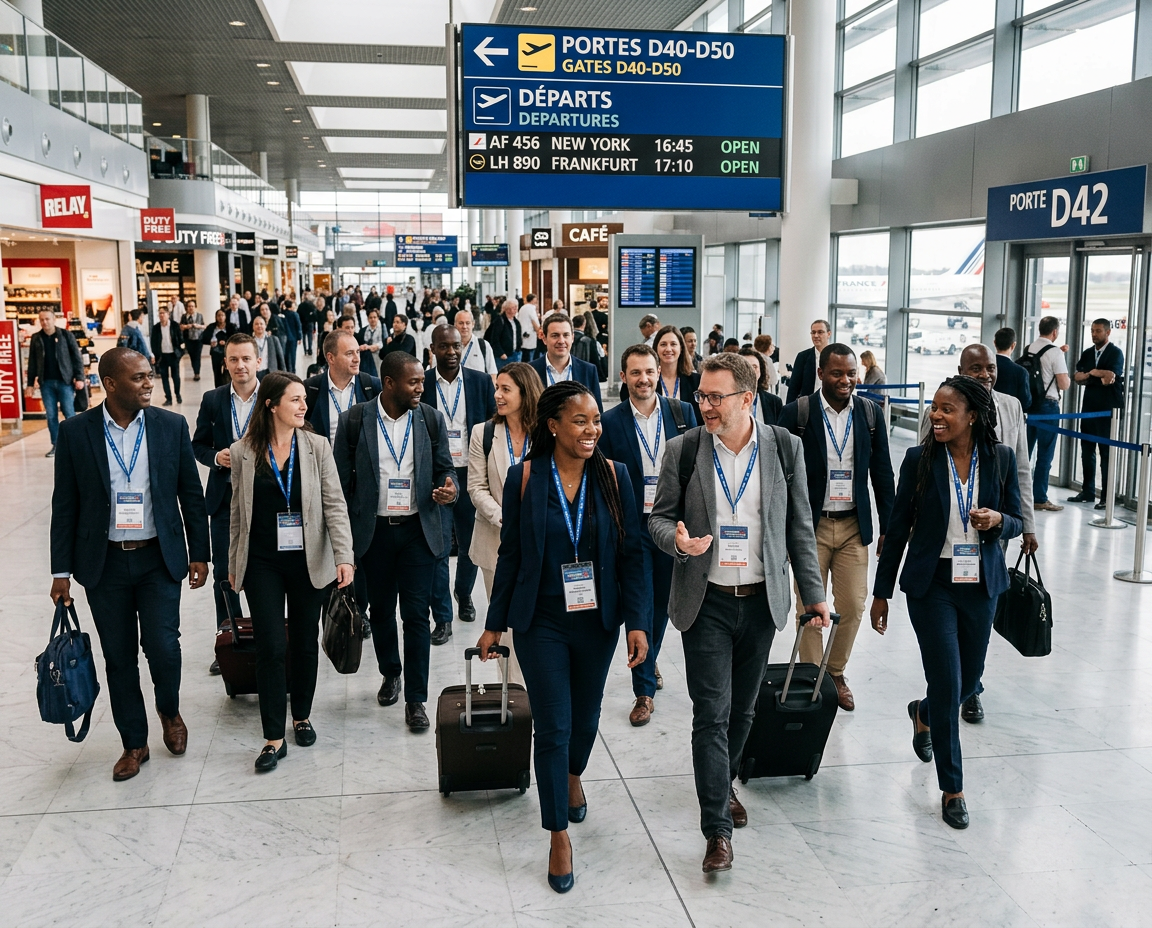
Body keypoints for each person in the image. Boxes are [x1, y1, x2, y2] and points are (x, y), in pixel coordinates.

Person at [648, 352, 828, 872]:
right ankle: (717, 831)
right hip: (704, 603)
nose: (704, 404)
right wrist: (678, 541)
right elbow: (658, 520)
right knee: (712, 714)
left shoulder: (784, 449)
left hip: (759, 601)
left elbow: (798, 529)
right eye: (701, 394)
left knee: (744, 712)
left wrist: (812, 594)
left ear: (747, 398)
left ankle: (721, 785)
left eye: (715, 396)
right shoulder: (683, 451)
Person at [477, 381, 650, 893]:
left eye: (596, 420)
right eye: (580, 420)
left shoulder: (616, 478)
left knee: (585, 717)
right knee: (552, 724)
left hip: (597, 621)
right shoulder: (524, 477)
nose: (593, 429)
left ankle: (574, 773)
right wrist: (493, 622)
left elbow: (634, 555)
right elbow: (510, 556)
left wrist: (638, 622)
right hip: (542, 621)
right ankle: (557, 834)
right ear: (553, 425)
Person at [870, 376, 1023, 830]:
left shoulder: (1001, 460)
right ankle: (952, 788)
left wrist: (999, 520)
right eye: (934, 409)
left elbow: (1016, 519)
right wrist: (881, 593)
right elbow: (896, 531)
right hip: (932, 583)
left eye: (946, 410)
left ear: (971, 416)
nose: (935, 416)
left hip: (980, 583)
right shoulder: (919, 461)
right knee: (948, 676)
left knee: (968, 682)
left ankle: (923, 712)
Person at [50, 347, 210, 781]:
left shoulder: (169, 426)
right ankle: (134, 742)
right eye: (138, 377)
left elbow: (190, 495)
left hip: (158, 558)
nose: (148, 382)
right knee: (118, 658)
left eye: (150, 374)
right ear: (111, 383)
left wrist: (199, 552)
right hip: (103, 565)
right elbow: (64, 505)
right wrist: (60, 571)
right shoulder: (76, 433)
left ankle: (170, 711)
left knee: (164, 647)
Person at [227, 372, 354, 771]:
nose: (303, 406)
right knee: (270, 646)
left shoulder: (317, 447)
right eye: (295, 400)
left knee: (303, 641)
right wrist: (233, 564)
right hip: (262, 562)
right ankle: (272, 738)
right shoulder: (244, 451)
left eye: (304, 400)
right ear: (271, 405)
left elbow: (334, 504)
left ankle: (301, 715)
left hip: (308, 560)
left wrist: (344, 556)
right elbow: (236, 514)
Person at [333, 350, 458, 732]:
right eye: (414, 382)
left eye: (422, 381)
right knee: (383, 613)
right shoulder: (354, 420)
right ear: (389, 384)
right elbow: (339, 482)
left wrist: (448, 488)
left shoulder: (431, 418)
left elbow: (444, 468)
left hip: (418, 531)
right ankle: (391, 672)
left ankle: (416, 700)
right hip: (375, 533)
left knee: (416, 617)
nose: (421, 387)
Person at [918, 343, 1038, 724]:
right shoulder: (940, 410)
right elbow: (925, 467)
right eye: (975, 369)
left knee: (978, 625)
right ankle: (962, 693)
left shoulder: (1012, 407)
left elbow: (1021, 469)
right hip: (946, 536)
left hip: (993, 531)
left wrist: (1025, 525)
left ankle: (967, 688)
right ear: (960, 370)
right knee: (949, 643)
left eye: (990, 368)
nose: (985, 374)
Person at [778, 343, 895, 712]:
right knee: (812, 609)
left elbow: (883, 473)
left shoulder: (870, 414)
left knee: (854, 605)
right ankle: (814, 675)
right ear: (821, 374)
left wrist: (889, 527)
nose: (845, 380)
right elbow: (777, 476)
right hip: (809, 528)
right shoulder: (797, 413)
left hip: (852, 526)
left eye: (851, 373)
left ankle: (837, 671)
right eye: (837, 373)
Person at [599, 344, 697, 726]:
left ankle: (649, 658)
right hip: (632, 526)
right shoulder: (610, 421)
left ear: (660, 373)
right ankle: (644, 691)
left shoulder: (682, 414)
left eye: (649, 372)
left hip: (672, 524)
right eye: (635, 372)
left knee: (661, 606)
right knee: (639, 602)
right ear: (623, 377)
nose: (643, 379)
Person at [467, 361, 542, 686]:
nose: (497, 395)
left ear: (525, 393)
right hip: (495, 544)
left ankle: (539, 688)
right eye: (497, 388)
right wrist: (504, 516)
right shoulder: (483, 434)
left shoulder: (546, 433)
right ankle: (515, 693)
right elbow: (476, 487)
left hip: (541, 546)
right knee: (503, 626)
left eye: (505, 389)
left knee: (535, 624)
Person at [423, 325, 496, 646]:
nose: (451, 352)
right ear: (433, 349)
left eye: (456, 346)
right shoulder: (422, 384)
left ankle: (463, 594)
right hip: (437, 476)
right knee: (438, 547)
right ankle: (442, 617)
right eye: (444, 347)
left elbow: (494, 424)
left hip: (473, 474)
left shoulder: (480, 382)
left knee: (470, 544)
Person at [193, 334, 261, 661]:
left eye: (246, 358)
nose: (240, 365)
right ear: (225, 364)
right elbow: (198, 445)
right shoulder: (213, 400)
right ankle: (229, 642)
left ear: (258, 361)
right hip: (224, 500)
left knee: (265, 573)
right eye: (233, 359)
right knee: (224, 573)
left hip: (265, 499)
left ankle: (266, 638)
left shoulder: (273, 397)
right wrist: (214, 457)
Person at [1069, 319, 1125, 508]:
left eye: (1098, 331)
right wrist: (1094, 375)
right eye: (1092, 331)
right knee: (1087, 451)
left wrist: (1091, 374)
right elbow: (1077, 377)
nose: (1094, 334)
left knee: (1106, 454)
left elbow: (1110, 377)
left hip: (1107, 411)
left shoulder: (1115, 353)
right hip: (1088, 410)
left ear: (1108, 332)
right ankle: (1088, 490)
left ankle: (1107, 496)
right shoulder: (1087, 353)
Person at [1022, 316, 1071, 512]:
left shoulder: (1028, 349)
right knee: (1045, 454)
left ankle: (1019, 495)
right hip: (1048, 408)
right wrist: (1060, 358)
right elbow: (1063, 384)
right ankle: (1040, 497)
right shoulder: (1055, 353)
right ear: (1055, 332)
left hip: (1030, 406)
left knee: (1025, 453)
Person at [303, 331, 382, 444]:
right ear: (331, 358)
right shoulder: (310, 388)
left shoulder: (372, 386)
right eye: (349, 354)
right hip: (325, 459)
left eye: (358, 352)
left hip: (359, 460)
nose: (357, 359)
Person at [26, 309, 85, 457]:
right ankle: (56, 445)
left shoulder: (66, 335)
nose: (45, 322)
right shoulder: (36, 338)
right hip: (46, 383)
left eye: (47, 319)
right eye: (42, 320)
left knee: (69, 413)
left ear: (54, 319)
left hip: (64, 381)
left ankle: (74, 444)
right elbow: (32, 362)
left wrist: (80, 378)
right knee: (51, 415)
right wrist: (30, 384)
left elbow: (76, 358)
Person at [531, 313, 603, 410]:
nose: (561, 341)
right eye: (555, 335)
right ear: (544, 339)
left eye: (566, 335)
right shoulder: (530, 371)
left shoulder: (588, 371)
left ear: (572, 338)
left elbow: (597, 413)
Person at [653, 325, 701, 415]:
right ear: (656, 348)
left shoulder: (696, 381)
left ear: (681, 348)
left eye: (673, 344)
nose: (668, 349)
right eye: (663, 344)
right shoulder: (648, 381)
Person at [785, 319, 830, 404]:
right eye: (813, 332)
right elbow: (794, 387)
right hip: (809, 405)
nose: (816, 335)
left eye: (820, 332)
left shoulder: (836, 356)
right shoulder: (803, 357)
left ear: (829, 334)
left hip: (831, 404)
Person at [738, 346, 783, 426]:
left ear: (760, 371)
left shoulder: (774, 402)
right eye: (746, 366)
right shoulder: (727, 399)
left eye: (754, 367)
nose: (751, 370)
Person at [150, 306, 184, 406]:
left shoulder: (174, 325)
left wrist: (180, 352)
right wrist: (155, 355)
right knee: (164, 377)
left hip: (173, 355)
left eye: (163, 313)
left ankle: (177, 394)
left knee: (176, 376)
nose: (161, 315)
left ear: (168, 314)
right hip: (162, 356)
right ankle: (168, 398)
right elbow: (153, 342)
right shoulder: (156, 328)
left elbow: (180, 339)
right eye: (160, 313)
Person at [993, 328, 1031, 411]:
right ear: (1013, 345)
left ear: (994, 343)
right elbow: (1025, 402)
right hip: (1010, 416)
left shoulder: (986, 367)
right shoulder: (1021, 372)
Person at [455, 308, 498, 380]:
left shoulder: (483, 345)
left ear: (473, 324)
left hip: (479, 390)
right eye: (461, 323)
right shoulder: (450, 346)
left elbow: (492, 373)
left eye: (467, 323)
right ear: (455, 325)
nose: (464, 326)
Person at [202, 310, 237, 387]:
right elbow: (203, 338)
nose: (221, 317)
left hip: (228, 352)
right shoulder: (211, 327)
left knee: (228, 371)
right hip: (216, 352)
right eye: (219, 315)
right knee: (216, 372)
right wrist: (210, 342)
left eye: (222, 315)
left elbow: (235, 338)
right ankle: (218, 389)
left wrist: (226, 342)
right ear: (216, 317)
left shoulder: (231, 326)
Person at [486, 298, 523, 370]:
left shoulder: (516, 322)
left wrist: (519, 349)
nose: (514, 310)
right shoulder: (500, 321)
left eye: (515, 308)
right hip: (503, 356)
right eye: (511, 308)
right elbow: (494, 338)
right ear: (506, 309)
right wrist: (501, 353)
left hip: (515, 354)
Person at [179, 299, 205, 382]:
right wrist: (186, 326)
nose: (191, 308)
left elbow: (204, 326)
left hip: (198, 339)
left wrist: (197, 326)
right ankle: (195, 370)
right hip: (188, 339)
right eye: (189, 306)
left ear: (195, 307)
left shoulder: (199, 316)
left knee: (197, 356)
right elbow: (181, 327)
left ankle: (197, 373)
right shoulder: (184, 316)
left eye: (192, 306)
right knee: (192, 356)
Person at [360, 308, 385, 377]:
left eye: (374, 317)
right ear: (368, 319)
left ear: (378, 318)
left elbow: (383, 342)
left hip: (378, 356)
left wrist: (373, 346)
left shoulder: (382, 329)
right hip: (366, 357)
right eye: (370, 317)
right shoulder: (363, 330)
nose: (373, 319)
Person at [280, 299, 302, 373]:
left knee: (286, 354)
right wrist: (300, 337)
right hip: (294, 337)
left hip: (284, 337)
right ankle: (293, 369)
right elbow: (298, 326)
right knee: (293, 354)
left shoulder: (282, 314)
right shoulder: (295, 314)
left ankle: (286, 369)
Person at [518, 294, 541, 361]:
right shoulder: (531, 307)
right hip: (530, 334)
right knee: (530, 357)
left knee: (524, 356)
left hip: (523, 333)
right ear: (533, 300)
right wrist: (539, 331)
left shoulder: (522, 308)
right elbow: (534, 321)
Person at [299, 290, 318, 356]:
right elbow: (315, 314)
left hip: (303, 323)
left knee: (304, 337)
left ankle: (305, 350)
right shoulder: (311, 305)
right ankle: (310, 349)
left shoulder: (301, 305)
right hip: (310, 322)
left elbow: (298, 314)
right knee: (310, 336)